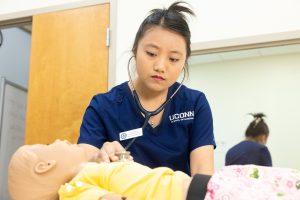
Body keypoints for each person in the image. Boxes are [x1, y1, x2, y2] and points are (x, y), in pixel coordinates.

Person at [78, 1, 215, 176]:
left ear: (183, 62)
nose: (160, 66)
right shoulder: (103, 106)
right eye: (151, 54)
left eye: (173, 59)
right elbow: (80, 168)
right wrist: (98, 157)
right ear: (135, 50)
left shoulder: (194, 104)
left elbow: (202, 176)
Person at [8, 140, 300, 200]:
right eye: (48, 143)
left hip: (204, 187)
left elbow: (129, 179)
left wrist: (117, 158)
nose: (59, 139)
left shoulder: (91, 173)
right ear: (45, 166)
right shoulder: (73, 190)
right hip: (203, 194)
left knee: (276, 183)